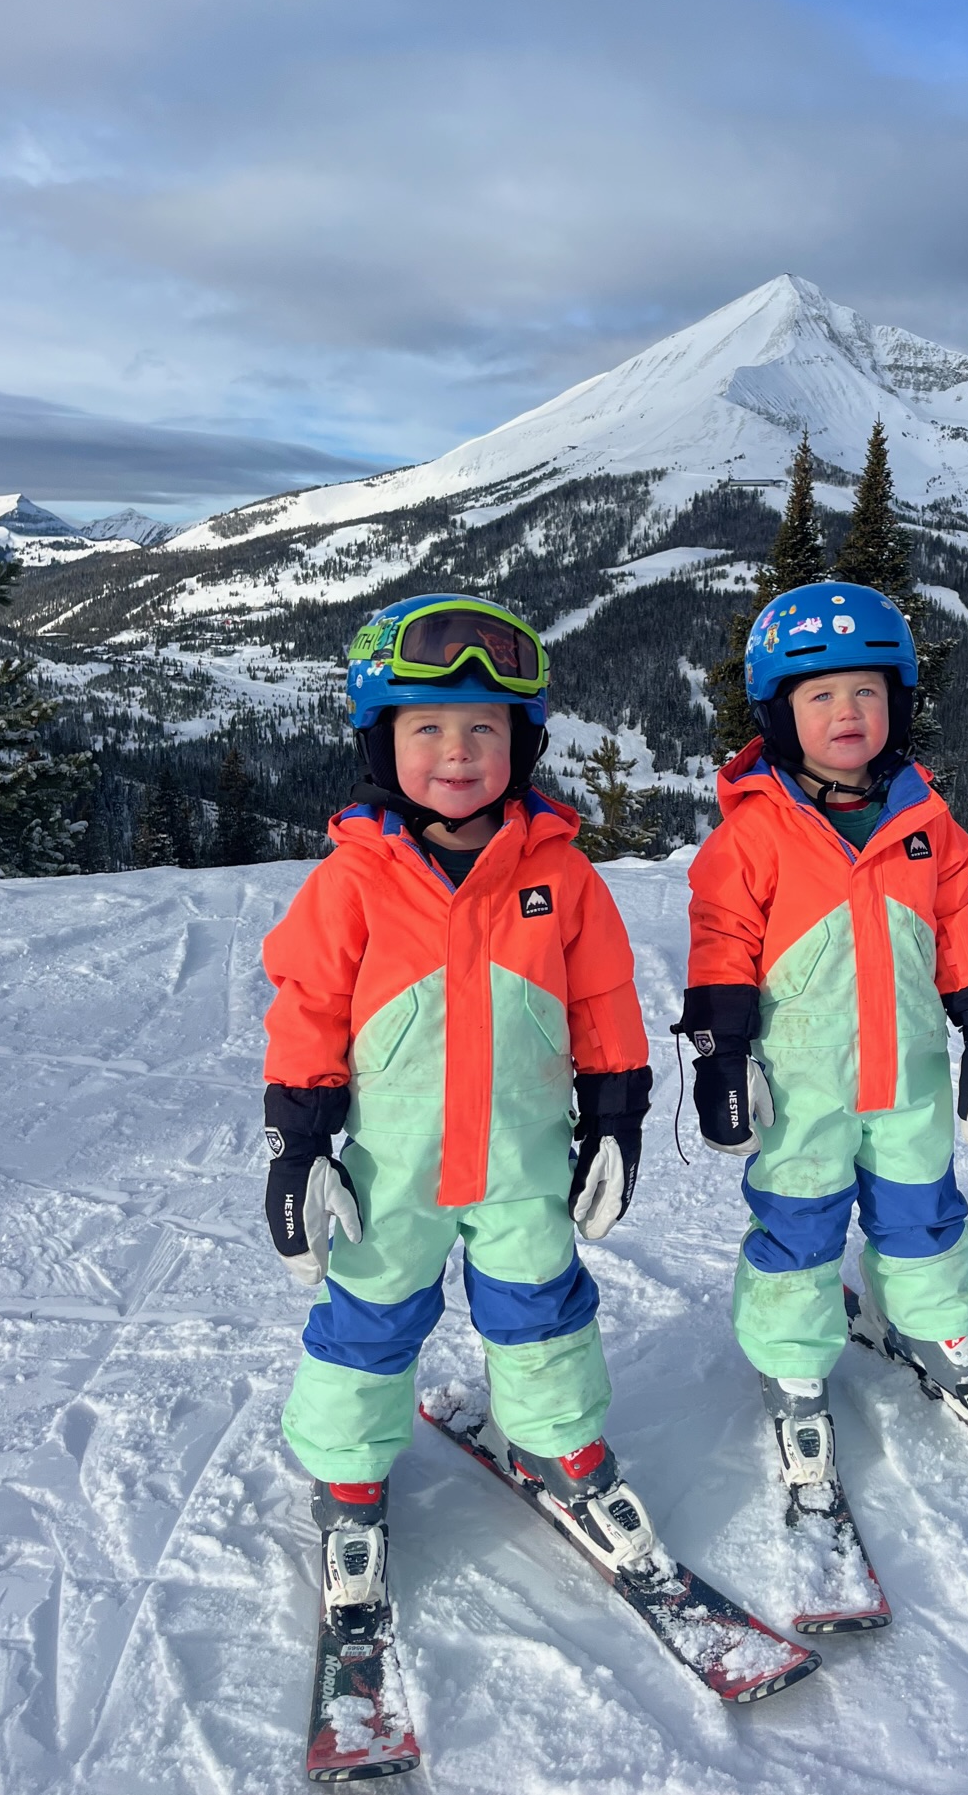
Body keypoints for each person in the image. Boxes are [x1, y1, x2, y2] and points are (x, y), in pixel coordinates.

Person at [262, 593, 657, 1612]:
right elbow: (306, 1006)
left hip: (523, 1154)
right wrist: (301, 1144)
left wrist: (614, 1115)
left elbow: (604, 997)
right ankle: (348, 1473)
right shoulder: (353, 882)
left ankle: (560, 1444)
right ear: (379, 742)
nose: (456, 750)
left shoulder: (559, 874)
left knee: (540, 1305)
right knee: (370, 1309)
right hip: (393, 1164)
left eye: (483, 728)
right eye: (426, 727)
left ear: (519, 744)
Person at [673, 580, 968, 1500]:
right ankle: (794, 1363)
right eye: (820, 695)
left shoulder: (923, 820)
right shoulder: (755, 834)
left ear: (896, 704)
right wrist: (721, 1052)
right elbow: (720, 941)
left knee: (922, 1207)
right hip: (802, 1087)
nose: (846, 712)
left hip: (907, 1074)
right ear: (780, 715)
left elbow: (959, 922)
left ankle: (934, 1325)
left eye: (866, 691)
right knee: (799, 1225)